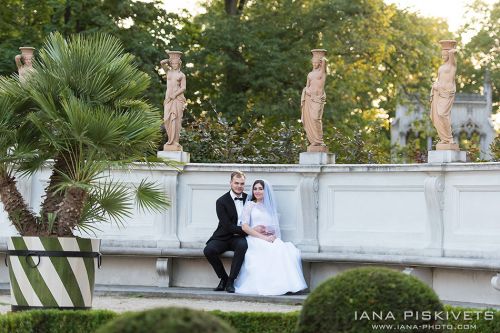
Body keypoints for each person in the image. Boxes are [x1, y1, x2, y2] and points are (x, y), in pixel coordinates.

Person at [234, 179, 307, 295]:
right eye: (255, 189)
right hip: (254, 238)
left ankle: (283, 285)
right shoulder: (249, 205)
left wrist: (272, 235)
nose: (257, 191)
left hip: (268, 238)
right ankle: (270, 286)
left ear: (265, 191)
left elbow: (275, 228)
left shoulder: (270, 207)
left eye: (260, 189)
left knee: (284, 249)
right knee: (267, 250)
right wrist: (260, 235)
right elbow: (244, 227)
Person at [204, 171, 265, 293]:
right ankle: (223, 278)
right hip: (223, 235)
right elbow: (227, 226)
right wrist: (249, 230)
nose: (239, 186)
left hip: (240, 238)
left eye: (242, 183)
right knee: (209, 250)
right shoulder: (221, 201)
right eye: (236, 183)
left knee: (242, 246)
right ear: (230, 183)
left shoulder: (249, 199)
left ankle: (231, 281)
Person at [430, 42, 457, 146]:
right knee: (436, 116)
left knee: (442, 114)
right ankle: (444, 139)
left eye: (445, 55)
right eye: (442, 55)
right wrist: (435, 85)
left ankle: (449, 138)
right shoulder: (441, 67)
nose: (443, 57)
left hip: (447, 93)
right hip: (439, 92)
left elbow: (454, 52)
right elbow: (439, 79)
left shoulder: (452, 66)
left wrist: (450, 48)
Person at [301, 54, 327, 150]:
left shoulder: (322, 73)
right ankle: (314, 141)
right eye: (313, 62)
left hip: (318, 98)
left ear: (320, 63)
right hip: (309, 98)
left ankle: (319, 140)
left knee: (316, 118)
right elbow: (307, 86)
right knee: (311, 119)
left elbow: (324, 60)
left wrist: (320, 55)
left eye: (316, 62)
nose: (314, 64)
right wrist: (306, 90)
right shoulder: (310, 74)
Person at [160, 53, 186, 151]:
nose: (174, 65)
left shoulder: (181, 75)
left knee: (175, 119)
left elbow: (183, 87)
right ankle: (169, 140)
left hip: (177, 99)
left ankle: (174, 141)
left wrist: (175, 94)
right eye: (173, 63)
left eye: (176, 63)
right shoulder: (168, 72)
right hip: (168, 99)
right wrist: (170, 59)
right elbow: (162, 63)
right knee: (167, 119)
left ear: (179, 64)